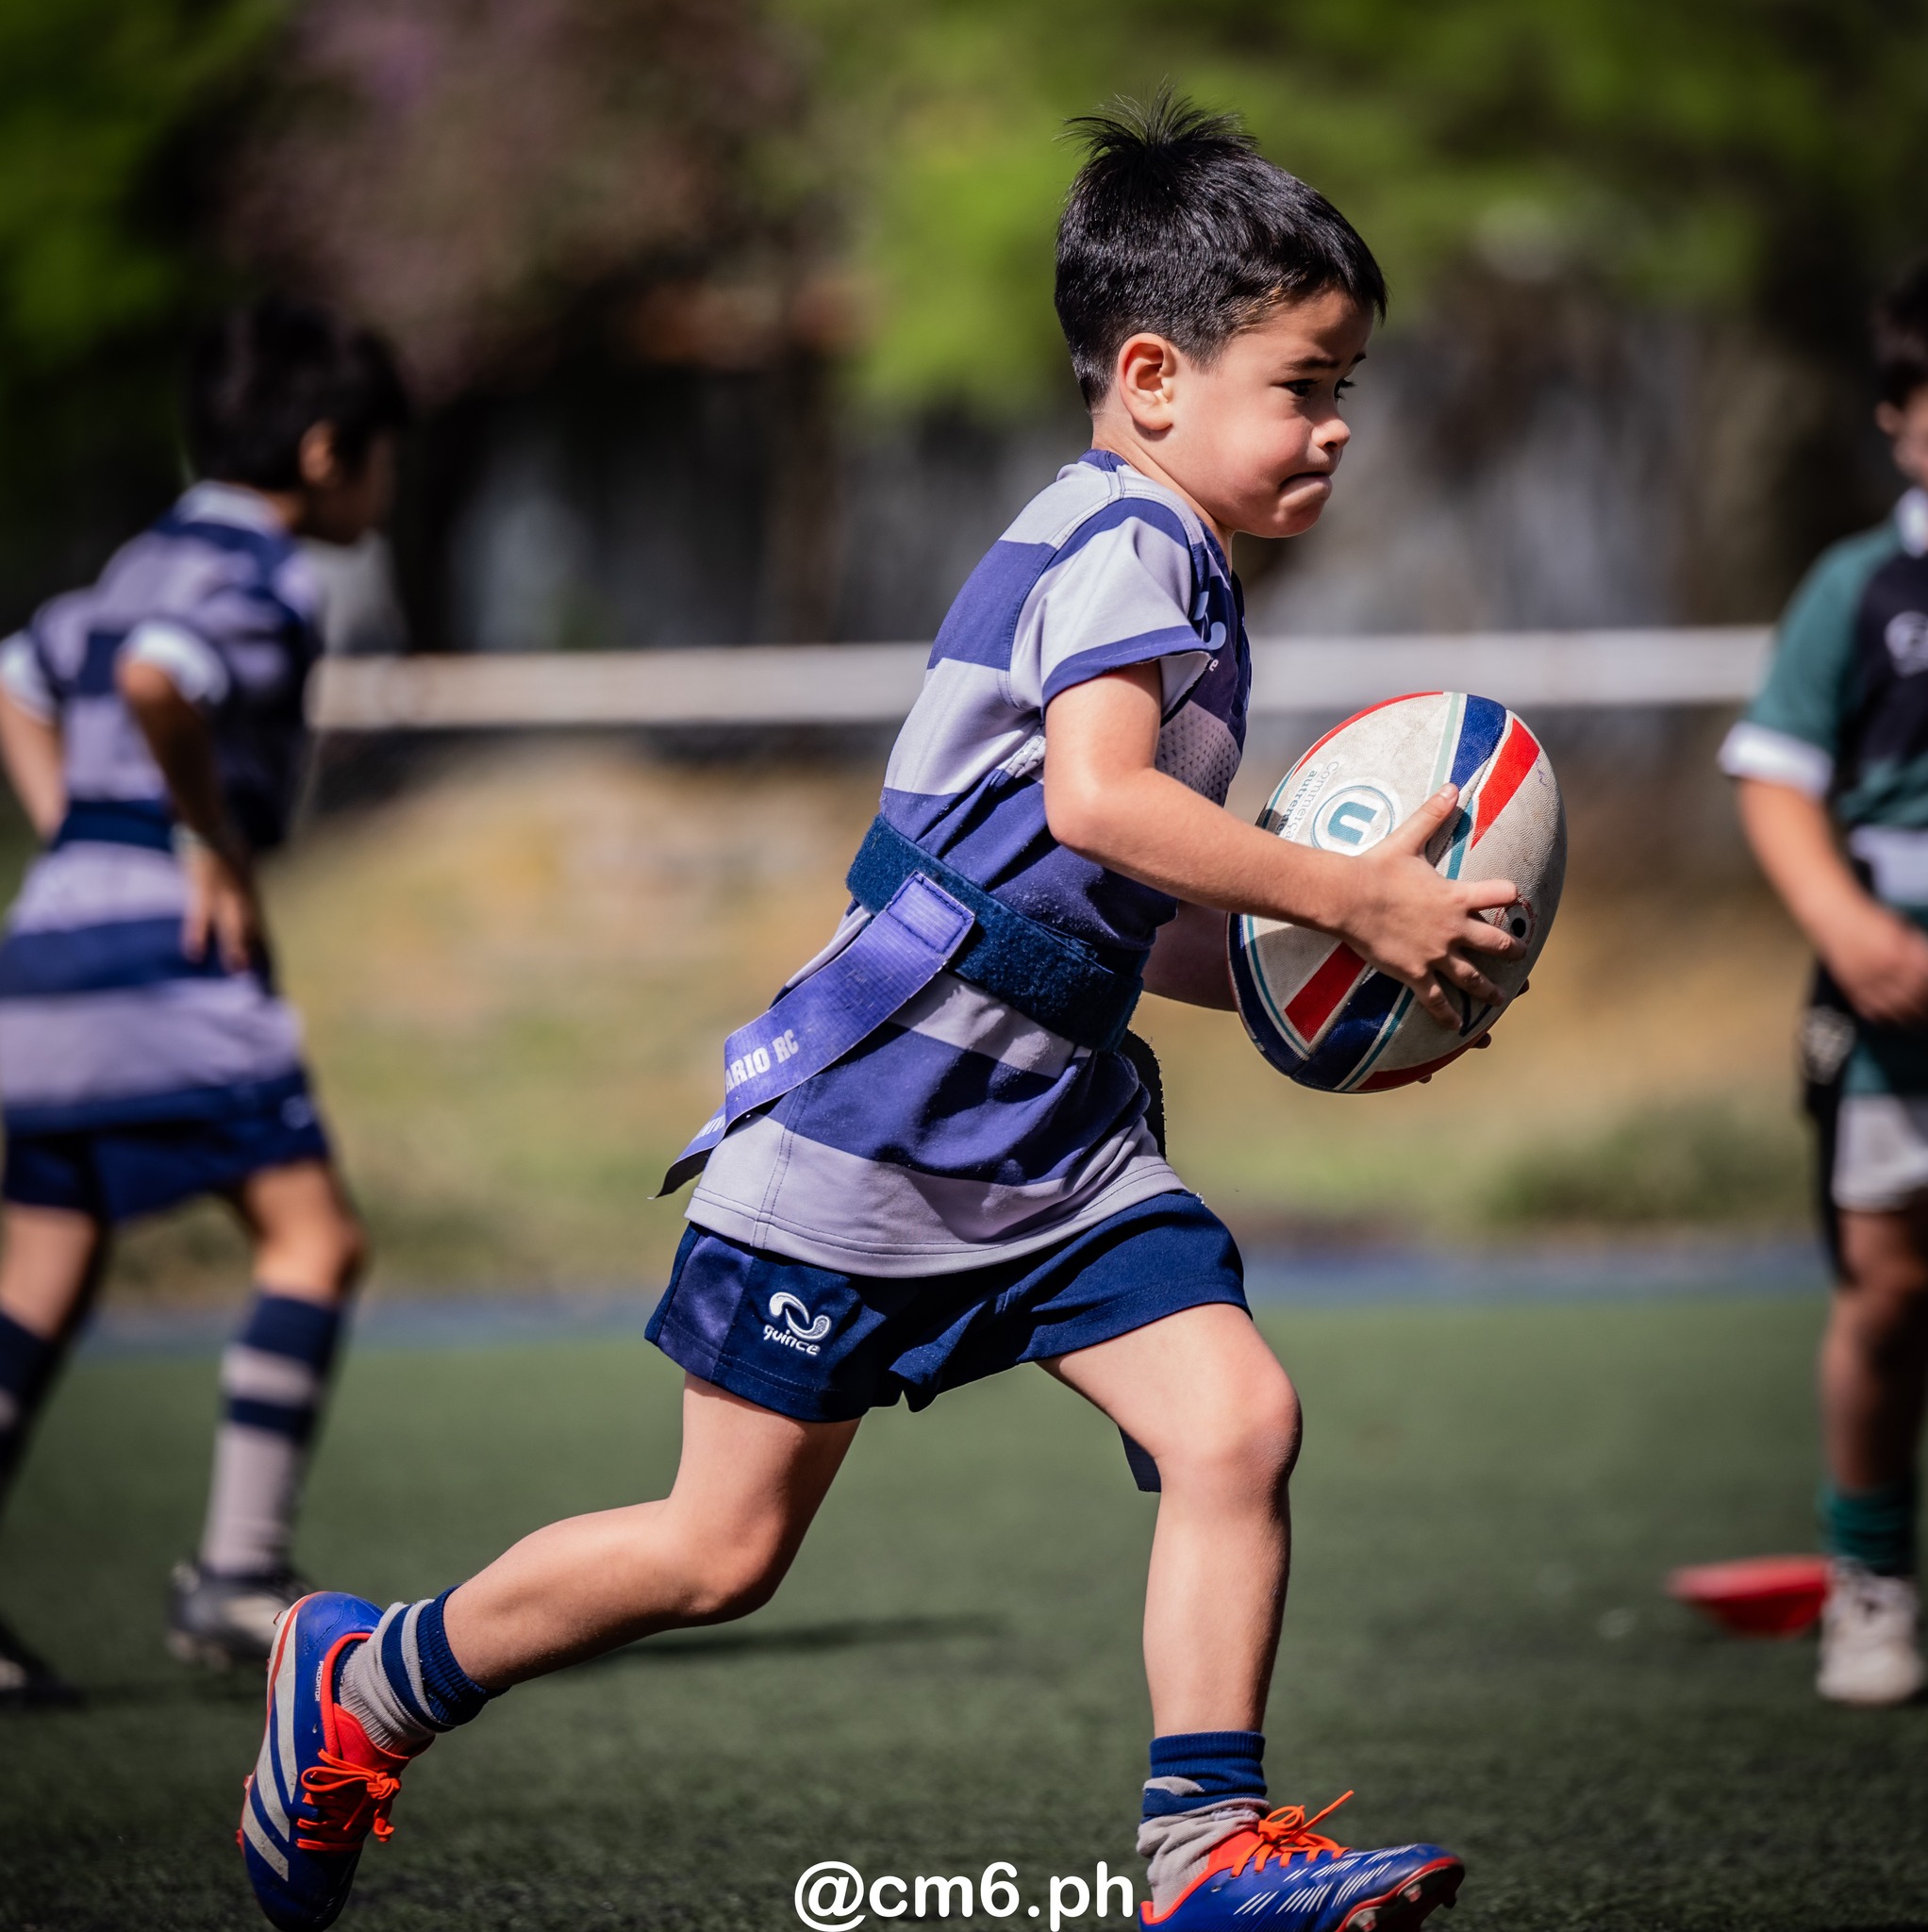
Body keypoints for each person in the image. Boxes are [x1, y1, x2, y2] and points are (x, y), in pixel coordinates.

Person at [237, 98, 1521, 1932]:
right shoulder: (1124, 543)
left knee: (1235, 1419)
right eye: (1303, 384)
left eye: (1348, 388)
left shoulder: (1179, 563)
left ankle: (1208, 1850)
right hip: (869, 1127)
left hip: (1054, 1145)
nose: (1334, 426)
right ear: (1151, 378)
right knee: (718, 1550)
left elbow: (1102, 900)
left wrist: (1320, 990)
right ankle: (367, 1682)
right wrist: (1346, 896)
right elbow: (1099, 804)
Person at [0, 296, 408, 1707]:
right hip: (165, 960)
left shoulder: (138, 554)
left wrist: (75, 834)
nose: (387, 485)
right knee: (315, 1240)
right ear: (324, 452)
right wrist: (205, 839)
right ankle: (239, 1572)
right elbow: (156, 677)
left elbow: (18, 675)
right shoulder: (260, 574)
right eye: (383, 457)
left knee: (38, 1274)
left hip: (46, 950)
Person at [1721, 264, 1928, 1707]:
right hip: (1892, 1017)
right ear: (1898, 416)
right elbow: (1777, 778)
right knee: (1890, 1293)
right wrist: (1849, 928)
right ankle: (1871, 1577)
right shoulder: (1858, 591)